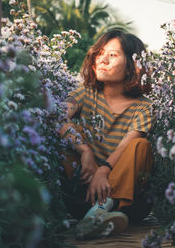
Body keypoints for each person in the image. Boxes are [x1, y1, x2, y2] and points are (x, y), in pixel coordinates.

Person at [59, 30, 154, 240]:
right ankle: (93, 214)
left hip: (128, 204)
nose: (102, 59)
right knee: (71, 134)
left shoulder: (143, 107)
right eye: (99, 53)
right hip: (85, 193)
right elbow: (57, 115)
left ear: (132, 65)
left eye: (112, 55)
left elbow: (124, 147)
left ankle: (101, 211)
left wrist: (103, 172)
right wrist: (84, 152)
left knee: (140, 145)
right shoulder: (85, 93)